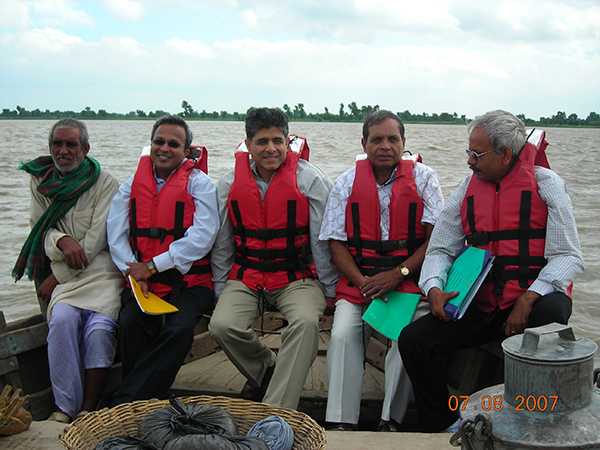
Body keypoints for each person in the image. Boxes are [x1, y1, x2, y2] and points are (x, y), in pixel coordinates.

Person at [398, 110, 584, 432]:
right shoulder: (466, 189)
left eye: (477, 154)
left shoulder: (546, 185)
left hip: (531, 301)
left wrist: (529, 298)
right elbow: (440, 248)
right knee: (415, 339)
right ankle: (440, 424)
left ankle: (540, 421)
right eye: (468, 152)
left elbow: (568, 256)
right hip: (482, 305)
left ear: (505, 154)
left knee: (553, 310)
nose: (469, 161)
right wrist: (434, 287)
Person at [319, 110, 444, 430]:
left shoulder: (425, 178)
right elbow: (335, 244)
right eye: (377, 139)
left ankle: (391, 419)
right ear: (364, 143)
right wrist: (362, 282)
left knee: (406, 338)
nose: (385, 145)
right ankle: (340, 421)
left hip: (406, 283)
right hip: (360, 282)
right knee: (342, 335)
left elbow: (435, 240)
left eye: (393, 139)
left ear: (403, 144)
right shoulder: (346, 182)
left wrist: (398, 274)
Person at [209, 107, 337, 409]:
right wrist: (219, 287)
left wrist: (330, 288)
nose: (271, 149)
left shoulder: (311, 180)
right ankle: (267, 366)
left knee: (305, 324)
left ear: (287, 141)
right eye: (262, 142)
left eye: (277, 141)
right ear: (248, 144)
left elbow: (324, 240)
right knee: (222, 325)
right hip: (247, 276)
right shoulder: (228, 184)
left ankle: (276, 413)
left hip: (297, 278)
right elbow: (222, 243)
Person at [12, 119, 122, 423]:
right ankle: (65, 408)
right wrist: (61, 239)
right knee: (60, 321)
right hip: (66, 272)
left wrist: (56, 276)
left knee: (99, 331)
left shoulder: (105, 183)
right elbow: (40, 228)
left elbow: (94, 242)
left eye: (71, 145)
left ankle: (88, 407)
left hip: (102, 273)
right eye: (57, 145)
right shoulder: (40, 181)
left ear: (85, 149)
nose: (63, 151)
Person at [106, 115, 219, 405]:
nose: (165, 148)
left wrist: (154, 265)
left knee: (178, 329)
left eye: (174, 144)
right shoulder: (131, 185)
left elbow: (203, 235)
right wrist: (133, 271)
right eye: (159, 141)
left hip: (190, 280)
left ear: (186, 151)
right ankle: (148, 399)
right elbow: (115, 233)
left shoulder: (201, 184)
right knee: (129, 323)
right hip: (144, 280)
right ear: (151, 144)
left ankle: (125, 401)